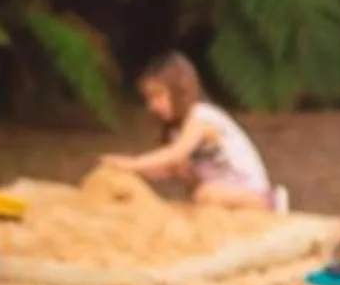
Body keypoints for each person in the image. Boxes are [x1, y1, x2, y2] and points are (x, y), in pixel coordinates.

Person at [98, 52, 283, 210]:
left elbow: (175, 153)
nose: (152, 106)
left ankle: (267, 201)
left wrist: (132, 163)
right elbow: (168, 167)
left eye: (158, 96)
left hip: (244, 187)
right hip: (216, 186)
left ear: (178, 91)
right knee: (186, 172)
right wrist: (129, 172)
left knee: (206, 194)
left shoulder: (201, 116)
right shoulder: (177, 130)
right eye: (149, 99)